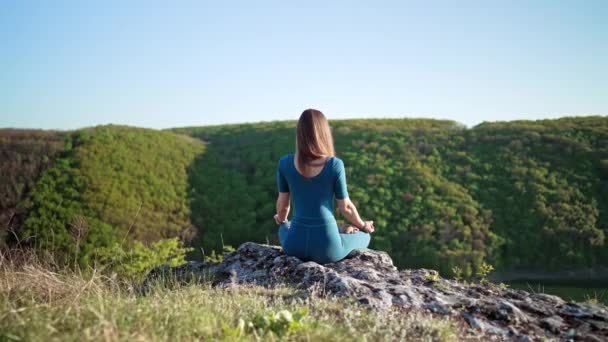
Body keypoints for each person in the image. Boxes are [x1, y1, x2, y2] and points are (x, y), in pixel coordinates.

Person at [273, 108, 375, 264]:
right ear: (324, 133)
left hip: (294, 247)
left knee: (285, 226)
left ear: (299, 134)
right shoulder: (334, 165)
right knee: (364, 236)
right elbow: (346, 208)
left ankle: (340, 230)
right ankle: (341, 231)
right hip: (327, 249)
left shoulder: (285, 163)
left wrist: (281, 220)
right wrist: (363, 225)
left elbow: (282, 207)